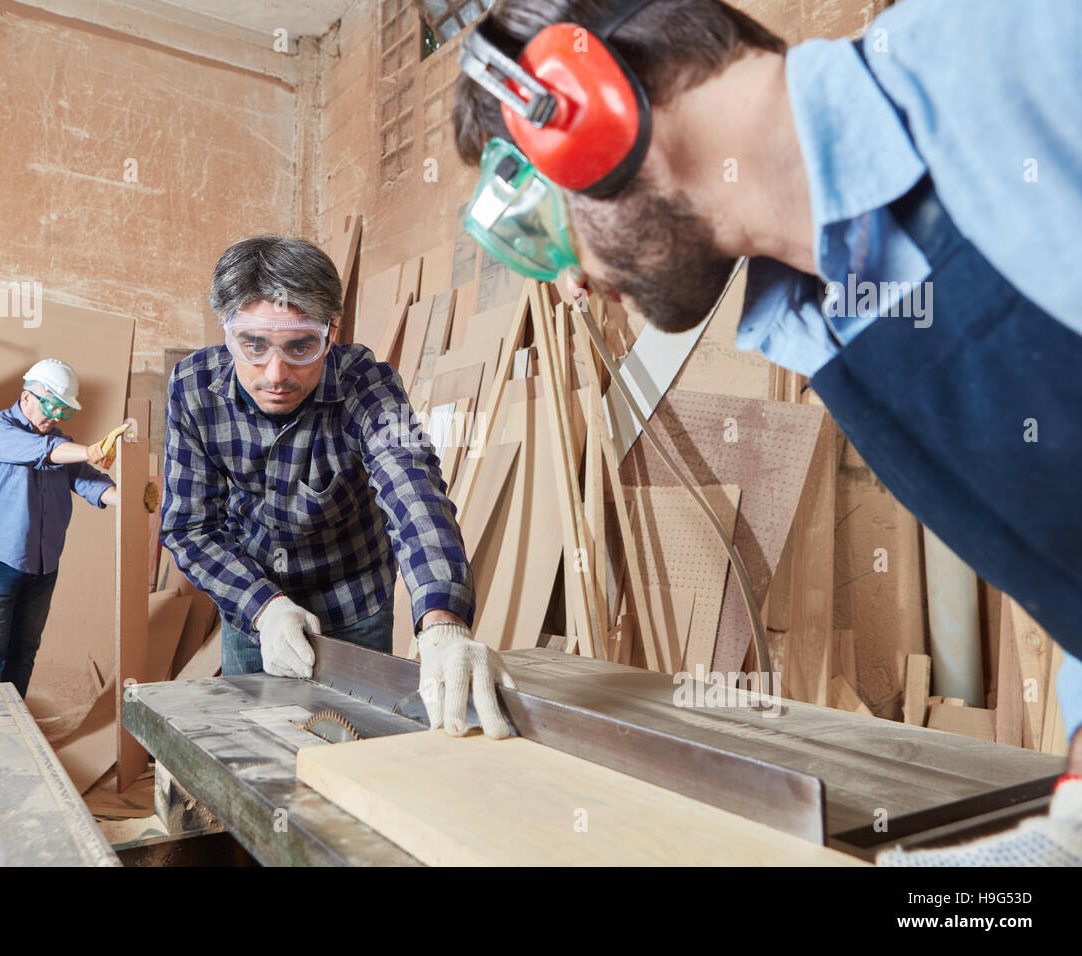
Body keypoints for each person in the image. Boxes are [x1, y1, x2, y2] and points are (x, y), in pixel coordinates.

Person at [452, 0, 1081, 864]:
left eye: (551, 233)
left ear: (589, 114)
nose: (573, 286)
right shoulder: (813, 315)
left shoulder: (1021, 50)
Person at [160, 235, 515, 738]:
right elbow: (190, 526)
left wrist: (443, 623)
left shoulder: (368, 385)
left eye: (301, 346)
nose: (276, 374)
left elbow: (413, 490)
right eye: (253, 346)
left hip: (352, 601)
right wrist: (265, 608)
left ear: (332, 332)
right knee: (258, 751)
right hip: (253, 604)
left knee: (356, 745)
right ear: (227, 330)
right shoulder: (193, 389)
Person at [0, 358, 130, 699]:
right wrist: (89, 450)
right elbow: (42, 452)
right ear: (27, 398)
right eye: (52, 407)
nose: (55, 419)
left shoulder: (60, 443)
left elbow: (90, 483)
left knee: (23, 653)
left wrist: (134, 499)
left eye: (64, 412)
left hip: (41, 565)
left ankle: (10, 732)